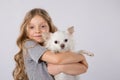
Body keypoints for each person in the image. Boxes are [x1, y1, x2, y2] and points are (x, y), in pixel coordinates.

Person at [13, 8, 88, 80]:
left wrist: (60, 68)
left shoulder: (54, 45)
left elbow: (83, 68)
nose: (37, 31)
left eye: (42, 26)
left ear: (49, 27)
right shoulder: (30, 45)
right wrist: (81, 57)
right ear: (26, 30)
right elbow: (57, 59)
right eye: (32, 27)